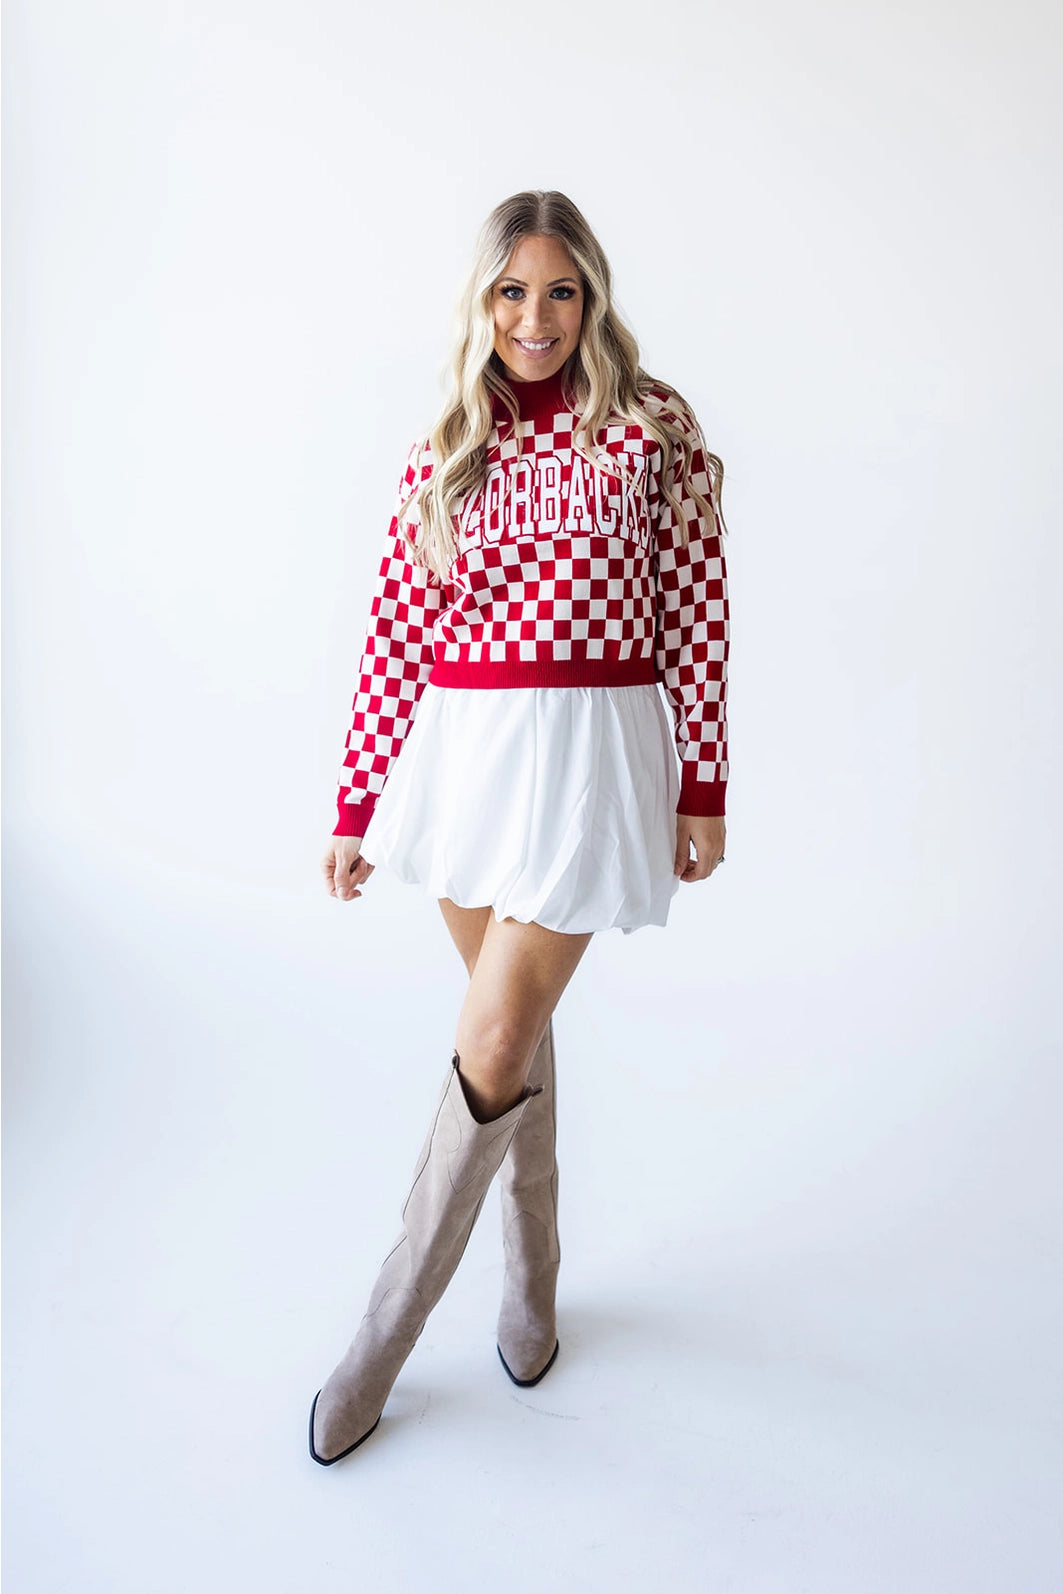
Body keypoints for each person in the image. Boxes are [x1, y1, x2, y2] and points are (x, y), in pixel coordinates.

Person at [310, 189, 729, 1465]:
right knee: (514, 1031)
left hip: (594, 762)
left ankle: (380, 1334)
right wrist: (355, 799)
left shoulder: (655, 427)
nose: (535, 318)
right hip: (463, 762)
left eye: (558, 291)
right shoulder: (452, 437)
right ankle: (532, 1287)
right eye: (511, 292)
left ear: (591, 296)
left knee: (492, 1030)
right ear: (481, 302)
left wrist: (700, 784)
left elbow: (698, 609)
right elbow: (397, 631)